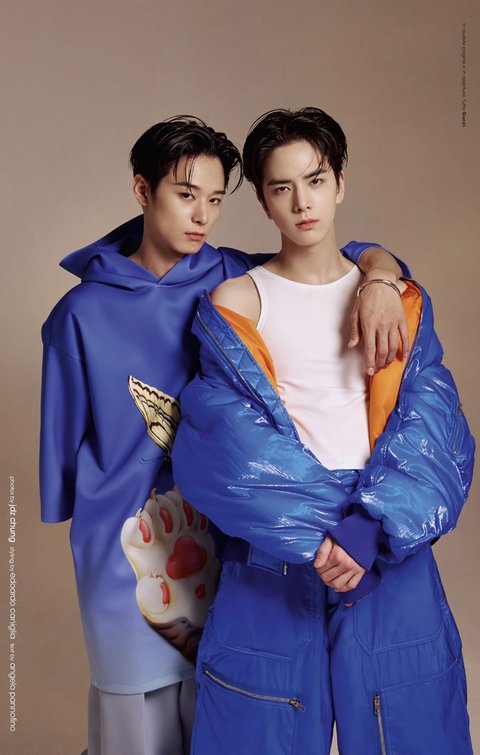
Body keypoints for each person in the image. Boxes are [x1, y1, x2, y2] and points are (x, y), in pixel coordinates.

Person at [40, 115, 406, 755]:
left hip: (226, 538)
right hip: (122, 546)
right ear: (142, 190)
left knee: (224, 718)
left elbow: (329, 261)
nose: (201, 216)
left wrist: (380, 275)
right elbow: (63, 456)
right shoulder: (79, 313)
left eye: (215, 199)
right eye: (186, 195)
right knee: (134, 726)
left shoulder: (229, 277)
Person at [171, 108, 475, 754]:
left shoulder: (395, 298)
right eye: (282, 188)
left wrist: (372, 528)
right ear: (263, 201)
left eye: (315, 180)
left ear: (340, 182)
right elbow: (221, 449)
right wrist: (332, 532)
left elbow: (436, 428)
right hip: (274, 559)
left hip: (385, 547)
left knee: (412, 730)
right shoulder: (238, 302)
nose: (302, 202)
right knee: (257, 734)